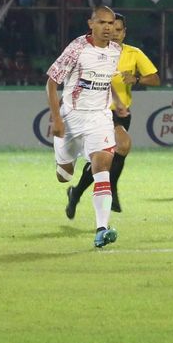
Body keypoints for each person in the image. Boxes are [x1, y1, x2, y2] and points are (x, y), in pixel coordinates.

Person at [65, 12, 161, 219]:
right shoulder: (94, 52)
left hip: (121, 113)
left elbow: (154, 79)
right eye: (110, 28)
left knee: (105, 159)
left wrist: (135, 79)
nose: (114, 33)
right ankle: (111, 190)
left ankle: (76, 192)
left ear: (124, 33)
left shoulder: (133, 54)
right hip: (96, 112)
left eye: (119, 30)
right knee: (122, 146)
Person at [46, 6, 126, 248]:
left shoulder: (115, 51)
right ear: (91, 23)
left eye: (111, 23)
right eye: (102, 22)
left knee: (102, 165)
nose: (108, 28)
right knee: (64, 176)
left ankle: (101, 229)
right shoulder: (77, 48)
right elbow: (51, 83)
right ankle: (67, 171)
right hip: (71, 118)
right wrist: (57, 120)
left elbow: (105, 79)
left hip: (100, 119)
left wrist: (118, 101)